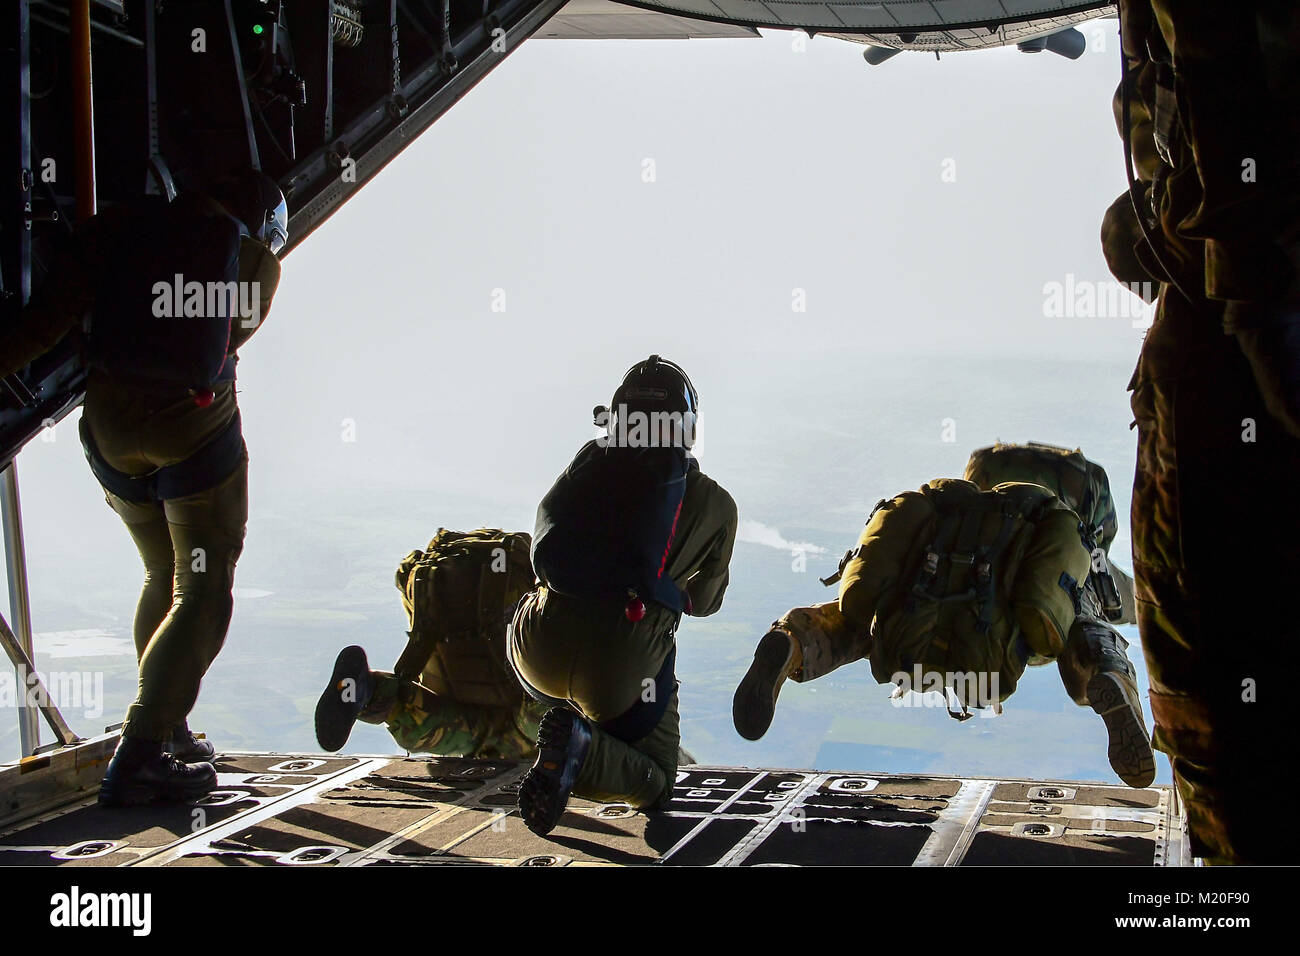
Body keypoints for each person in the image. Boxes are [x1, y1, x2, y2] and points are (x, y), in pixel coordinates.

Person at [0, 168, 287, 805]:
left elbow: (45, 324)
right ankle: (143, 753)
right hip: (191, 434)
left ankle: (170, 727)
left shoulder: (116, 230)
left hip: (106, 433)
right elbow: (231, 334)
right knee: (204, 589)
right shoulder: (250, 256)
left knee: (162, 573)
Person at [1106, 2, 1300, 862]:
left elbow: (1209, 52)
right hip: (1235, 318)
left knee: (1216, 691)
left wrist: (1248, 303)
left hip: (1232, 342)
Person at [734, 473, 1153, 784]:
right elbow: (1125, 597)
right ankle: (1111, 681)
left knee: (866, 619)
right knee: (1083, 620)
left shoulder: (954, 509)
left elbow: (870, 576)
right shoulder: (1066, 536)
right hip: (991, 639)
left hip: (918, 616)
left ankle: (793, 643)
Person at [508, 356, 737, 836]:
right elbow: (707, 600)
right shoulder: (715, 503)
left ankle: (566, 735)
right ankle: (583, 751)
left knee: (563, 690)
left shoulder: (588, 465)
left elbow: (543, 543)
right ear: (688, 427)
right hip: (618, 664)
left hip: (533, 648)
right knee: (657, 778)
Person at [963, 442, 1154, 788]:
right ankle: (1111, 672)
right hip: (1058, 565)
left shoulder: (987, 468)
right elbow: (1127, 596)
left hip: (978, 559)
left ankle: (843, 633)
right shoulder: (1074, 534)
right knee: (1083, 605)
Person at [314, 528, 548, 761]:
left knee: (465, 733)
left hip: (497, 697)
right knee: (518, 738)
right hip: (532, 703)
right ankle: (372, 697)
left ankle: (368, 692)